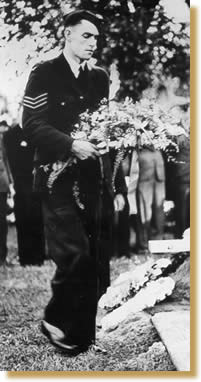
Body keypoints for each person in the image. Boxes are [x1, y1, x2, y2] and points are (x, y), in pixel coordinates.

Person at [22, 10, 126, 354]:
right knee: (75, 254)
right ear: (67, 35)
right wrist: (70, 144)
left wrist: (118, 184)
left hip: (93, 179)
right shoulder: (45, 73)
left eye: (96, 38)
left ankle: (82, 338)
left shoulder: (99, 78)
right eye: (86, 36)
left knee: (96, 260)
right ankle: (55, 320)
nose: (93, 43)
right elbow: (32, 124)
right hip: (57, 179)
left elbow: (104, 129)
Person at [3, 124, 46, 266]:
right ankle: (25, 257)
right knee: (23, 220)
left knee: (37, 218)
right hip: (20, 184)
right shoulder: (10, 135)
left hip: (35, 183)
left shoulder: (36, 131)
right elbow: (8, 159)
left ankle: (38, 256)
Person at [0, 96, 14, 267]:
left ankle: (2, 257)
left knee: (1, 222)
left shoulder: (1, 137)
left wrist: (10, 182)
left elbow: (5, 159)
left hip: (2, 184)